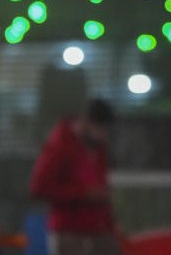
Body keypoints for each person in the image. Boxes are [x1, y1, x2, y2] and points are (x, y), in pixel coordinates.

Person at [29, 98, 121, 255]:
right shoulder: (59, 146)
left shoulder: (98, 148)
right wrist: (84, 194)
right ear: (86, 122)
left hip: (99, 229)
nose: (103, 134)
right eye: (100, 128)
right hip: (69, 232)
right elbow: (39, 187)